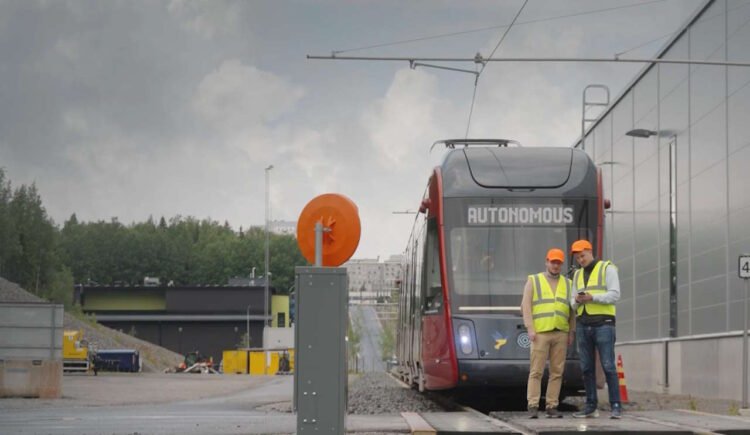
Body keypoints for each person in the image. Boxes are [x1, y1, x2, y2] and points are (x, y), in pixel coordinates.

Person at [569, 239, 622, 419]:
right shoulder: (576, 275)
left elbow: (615, 294)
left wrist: (592, 298)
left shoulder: (607, 268)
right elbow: (572, 301)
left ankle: (616, 405)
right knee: (586, 367)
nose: (580, 260)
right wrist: (576, 301)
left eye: (582, 256)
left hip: (604, 324)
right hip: (583, 324)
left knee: (608, 365)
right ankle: (591, 405)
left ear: (590, 252)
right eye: (577, 258)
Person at [521, 248, 575, 419]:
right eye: (553, 262)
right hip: (540, 333)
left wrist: (571, 331)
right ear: (547, 262)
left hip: (560, 332)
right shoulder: (534, 280)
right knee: (536, 371)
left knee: (557, 372)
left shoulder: (568, 283)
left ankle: (552, 406)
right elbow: (526, 306)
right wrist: (530, 328)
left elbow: (572, 310)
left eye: (558, 262)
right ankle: (533, 405)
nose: (555, 265)